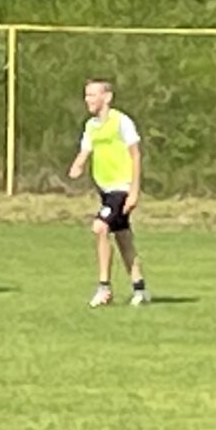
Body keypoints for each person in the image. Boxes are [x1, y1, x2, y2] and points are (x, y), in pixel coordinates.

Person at [67, 79, 149, 307]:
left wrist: (134, 192)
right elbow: (85, 150)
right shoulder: (91, 126)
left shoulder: (121, 121)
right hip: (105, 189)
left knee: (100, 227)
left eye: (93, 95)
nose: (88, 100)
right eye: (86, 95)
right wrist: (78, 165)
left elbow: (135, 155)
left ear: (107, 97)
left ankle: (104, 288)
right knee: (123, 237)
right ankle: (140, 288)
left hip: (121, 188)